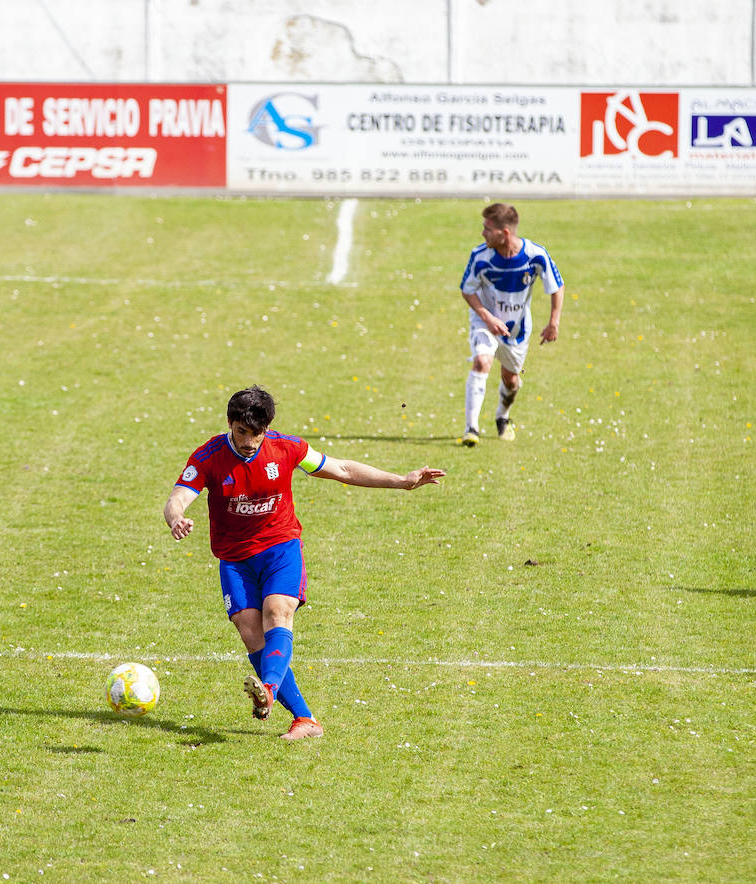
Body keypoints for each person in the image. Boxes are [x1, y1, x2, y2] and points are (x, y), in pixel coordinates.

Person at [163, 386, 444, 741]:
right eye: (242, 432)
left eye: (257, 433)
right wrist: (176, 519)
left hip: (280, 547)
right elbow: (178, 497)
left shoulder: (287, 447)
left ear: (268, 428)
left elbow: (341, 468)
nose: (250, 442)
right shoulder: (208, 456)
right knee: (251, 633)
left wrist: (401, 481)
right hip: (234, 559)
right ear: (230, 424)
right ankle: (306, 720)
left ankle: (268, 688)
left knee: (278, 614)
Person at [459, 202, 564, 446]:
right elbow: (467, 291)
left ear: (504, 233)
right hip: (484, 321)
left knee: (511, 380)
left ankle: (502, 417)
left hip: (517, 329)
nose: (483, 233)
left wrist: (553, 323)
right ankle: (471, 429)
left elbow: (557, 287)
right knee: (482, 361)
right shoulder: (480, 256)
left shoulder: (536, 255)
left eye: (487, 229)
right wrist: (487, 317)